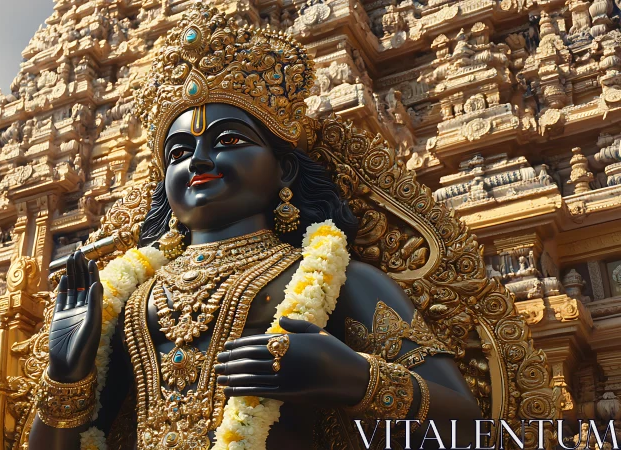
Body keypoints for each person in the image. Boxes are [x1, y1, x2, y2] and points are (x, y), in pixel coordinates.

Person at [29, 5, 481, 450]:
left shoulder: (342, 280)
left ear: (284, 169)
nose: (199, 161)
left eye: (227, 141)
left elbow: (469, 426)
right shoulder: (125, 301)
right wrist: (67, 372)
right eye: (179, 152)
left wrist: (354, 378)